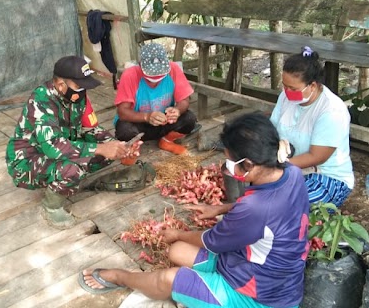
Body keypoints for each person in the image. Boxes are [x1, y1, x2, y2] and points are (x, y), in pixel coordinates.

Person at [79, 113, 310, 308]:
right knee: (177, 252)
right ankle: (196, 289)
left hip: (259, 297)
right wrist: (220, 207)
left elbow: (212, 241)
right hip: (250, 267)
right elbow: (267, 216)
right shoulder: (291, 173)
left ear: (248, 164)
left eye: (230, 161)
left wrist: (177, 233)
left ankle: (120, 277)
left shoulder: (255, 208)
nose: (228, 167)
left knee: (168, 277)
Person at [5, 56, 140, 229]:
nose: (83, 90)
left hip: (65, 145)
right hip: (27, 160)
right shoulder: (41, 101)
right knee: (73, 168)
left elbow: (92, 129)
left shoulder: (77, 96)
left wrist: (118, 145)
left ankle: (65, 178)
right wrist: (100, 148)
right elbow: (54, 147)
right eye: (79, 86)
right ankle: (51, 206)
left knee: (107, 152)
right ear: (61, 84)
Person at [270, 46, 354, 207]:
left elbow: (317, 157)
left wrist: (276, 166)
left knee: (281, 206)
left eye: (293, 89)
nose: (287, 92)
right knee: (258, 194)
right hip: (292, 169)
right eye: (284, 86)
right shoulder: (286, 97)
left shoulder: (331, 110)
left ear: (313, 86)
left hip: (326, 177)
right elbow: (272, 128)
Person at [114, 43, 197, 158]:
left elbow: (184, 100)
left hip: (165, 122)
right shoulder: (129, 75)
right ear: (140, 65)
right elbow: (122, 112)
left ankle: (166, 141)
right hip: (139, 124)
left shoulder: (173, 69)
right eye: (150, 78)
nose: (155, 82)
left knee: (189, 119)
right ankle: (133, 150)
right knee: (124, 130)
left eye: (160, 77)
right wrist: (147, 117)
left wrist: (177, 111)